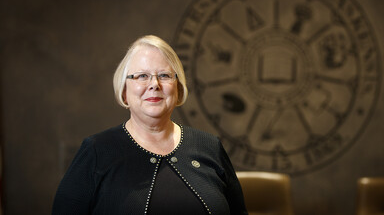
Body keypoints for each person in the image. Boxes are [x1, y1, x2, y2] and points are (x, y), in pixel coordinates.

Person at [52, 35, 248, 215]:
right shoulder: (96, 151)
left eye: (164, 75)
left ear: (178, 89)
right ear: (124, 91)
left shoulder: (210, 146)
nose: (154, 84)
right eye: (142, 76)